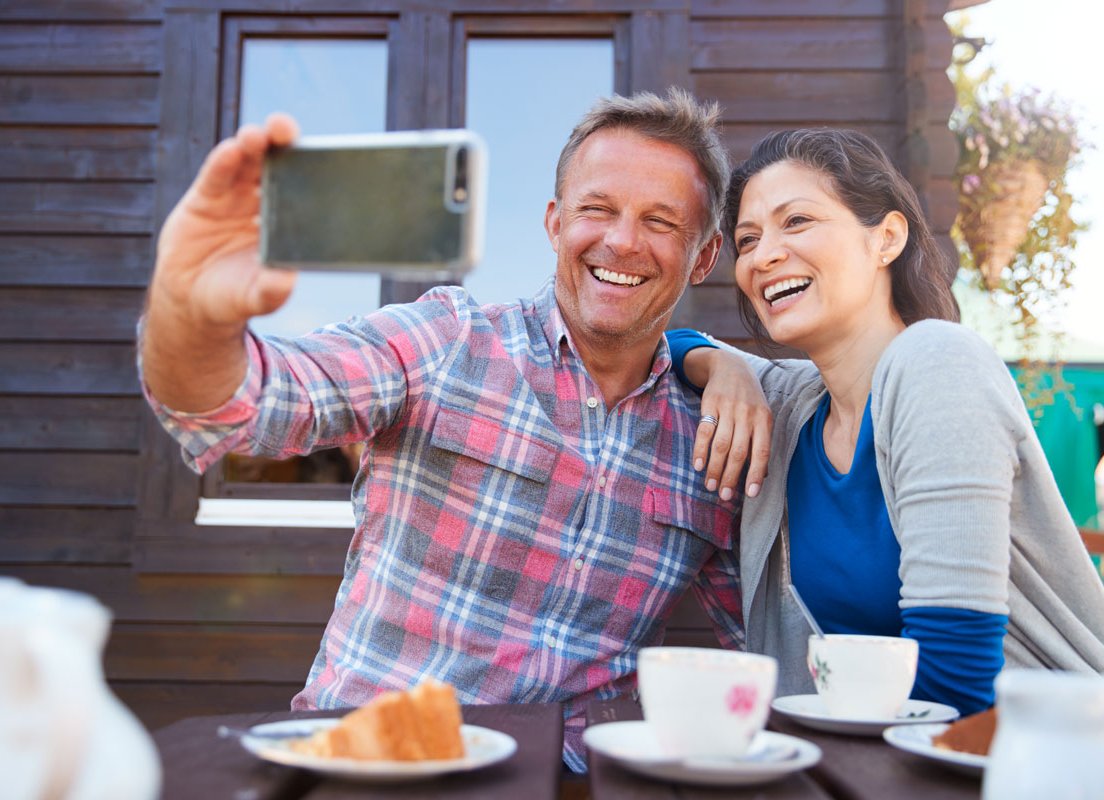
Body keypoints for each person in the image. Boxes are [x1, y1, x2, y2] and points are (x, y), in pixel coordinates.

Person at [137, 88, 772, 771]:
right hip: (373, 767)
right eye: (597, 209)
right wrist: (188, 306)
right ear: (555, 223)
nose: (621, 240)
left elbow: (762, 644)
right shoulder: (448, 340)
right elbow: (241, 409)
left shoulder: (714, 436)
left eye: (661, 221)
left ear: (703, 258)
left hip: (570, 783)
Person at [669, 127, 1104, 717]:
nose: (763, 255)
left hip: (1052, 756)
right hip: (882, 755)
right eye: (748, 238)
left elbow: (954, 675)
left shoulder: (939, 364)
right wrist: (724, 366)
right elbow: (667, 344)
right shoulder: (797, 405)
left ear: (886, 239)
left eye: (797, 222)